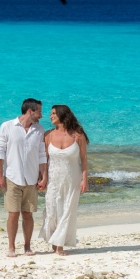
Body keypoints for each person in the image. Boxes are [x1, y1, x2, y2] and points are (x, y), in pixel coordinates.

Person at [0, 98, 47, 258]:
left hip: (31, 178)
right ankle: (11, 247)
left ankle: (27, 246)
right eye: (39, 111)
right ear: (30, 111)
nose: (41, 115)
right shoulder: (7, 126)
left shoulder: (39, 130)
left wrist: (43, 177)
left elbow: (42, 155)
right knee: (13, 214)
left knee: (28, 214)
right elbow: (0, 151)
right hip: (12, 176)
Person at [38, 104, 89, 256]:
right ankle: (55, 241)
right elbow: (44, 160)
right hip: (54, 179)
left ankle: (59, 246)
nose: (50, 116)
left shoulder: (78, 135)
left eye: (53, 113)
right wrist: (43, 178)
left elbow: (84, 159)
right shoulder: (48, 135)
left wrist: (84, 179)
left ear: (62, 115)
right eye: (50, 113)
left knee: (67, 210)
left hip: (72, 179)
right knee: (52, 210)